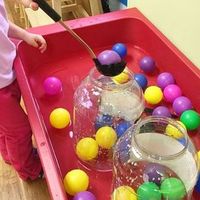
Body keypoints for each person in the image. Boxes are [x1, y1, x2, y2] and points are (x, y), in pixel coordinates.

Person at [0, 0, 47, 180]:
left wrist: (24, 35)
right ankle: (29, 170)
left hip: (7, 73)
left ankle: (9, 154)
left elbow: (3, 24)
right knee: (20, 130)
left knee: (7, 128)